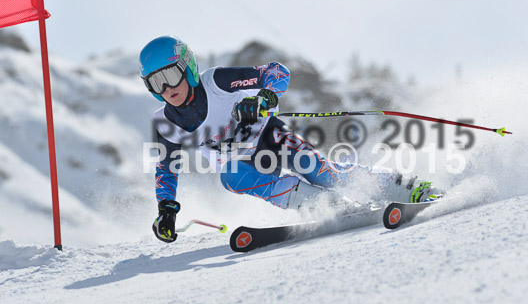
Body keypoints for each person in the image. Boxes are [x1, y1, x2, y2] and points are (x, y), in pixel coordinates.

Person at [140, 36, 443, 243]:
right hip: (243, 164)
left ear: (187, 67)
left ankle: (407, 187)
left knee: (322, 172)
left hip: (271, 136)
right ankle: (327, 205)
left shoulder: (217, 81)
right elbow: (166, 168)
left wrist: (263, 97)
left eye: (169, 75)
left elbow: (275, 72)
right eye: (155, 82)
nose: (166, 88)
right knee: (229, 175)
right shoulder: (165, 121)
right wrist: (166, 210)